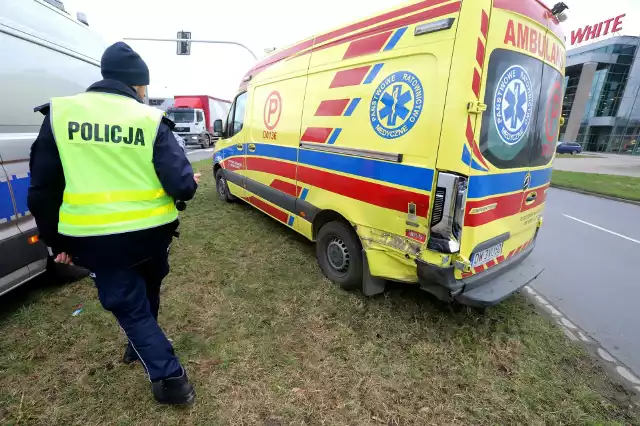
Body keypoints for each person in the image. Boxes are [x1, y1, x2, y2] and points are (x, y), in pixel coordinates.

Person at [27, 42, 200, 405]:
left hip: (97, 241)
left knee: (130, 305)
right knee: (144, 292)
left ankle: (172, 381)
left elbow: (44, 190)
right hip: (154, 235)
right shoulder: (150, 119)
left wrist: (57, 243)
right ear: (138, 85)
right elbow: (182, 184)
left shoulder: (61, 115)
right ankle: (142, 351)